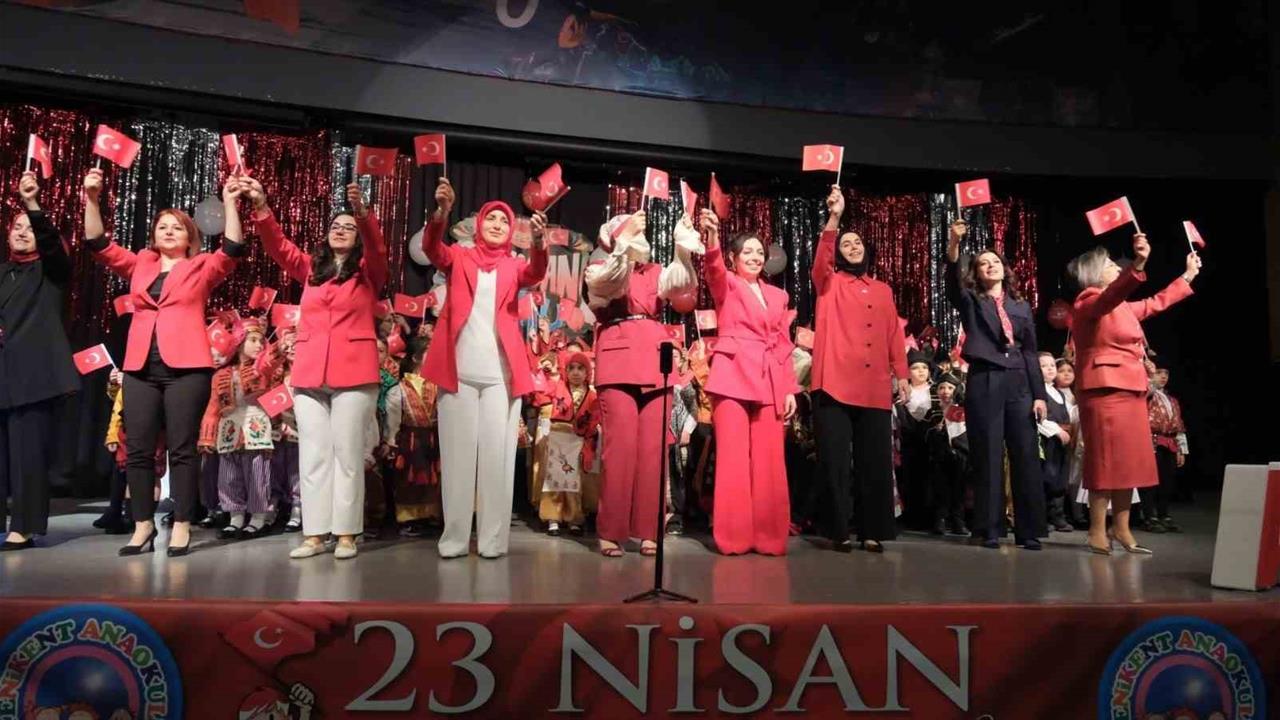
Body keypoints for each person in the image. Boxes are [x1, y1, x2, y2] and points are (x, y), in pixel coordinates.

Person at [84, 168, 246, 557]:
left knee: (182, 449)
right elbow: (98, 243)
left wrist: (229, 202)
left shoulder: (201, 266)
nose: (169, 231)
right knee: (138, 449)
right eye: (162, 227)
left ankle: (183, 524)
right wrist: (91, 198)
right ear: (154, 236)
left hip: (186, 369)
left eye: (177, 227)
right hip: (140, 368)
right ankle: (143, 526)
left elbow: (232, 249)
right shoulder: (141, 262)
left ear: (190, 237)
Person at [242, 177, 388, 560]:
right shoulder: (312, 270)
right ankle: (315, 533)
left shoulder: (368, 272)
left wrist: (363, 214)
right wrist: (261, 207)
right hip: (309, 372)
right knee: (314, 455)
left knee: (347, 455)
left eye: (348, 228)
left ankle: (346, 533)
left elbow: (377, 248)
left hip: (354, 373)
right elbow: (279, 247)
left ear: (358, 237)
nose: (340, 230)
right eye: (335, 226)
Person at [420, 178, 548, 559]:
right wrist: (442, 212)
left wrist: (539, 242)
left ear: (511, 231)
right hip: (458, 371)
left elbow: (536, 273)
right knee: (458, 460)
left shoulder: (514, 265)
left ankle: (493, 540)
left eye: (504, 220)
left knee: (497, 461)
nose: (496, 224)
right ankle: (455, 539)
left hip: (500, 376)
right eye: (491, 218)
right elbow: (431, 248)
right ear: (479, 224)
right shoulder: (459, 257)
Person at [1067, 233, 1200, 555]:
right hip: (1104, 389)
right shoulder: (1088, 301)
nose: (1117, 267)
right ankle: (1096, 530)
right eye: (1110, 265)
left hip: (1131, 388)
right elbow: (1111, 296)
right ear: (1094, 273)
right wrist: (1138, 264)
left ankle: (1122, 528)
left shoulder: (1123, 308)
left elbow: (1156, 302)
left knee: (1129, 462)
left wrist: (1188, 276)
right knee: (1105, 461)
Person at [585, 209, 701, 557]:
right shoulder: (599, 267)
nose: (640, 235)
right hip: (618, 362)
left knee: (654, 450)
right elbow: (611, 284)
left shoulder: (654, 271)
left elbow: (682, 283)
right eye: (631, 231)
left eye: (639, 232)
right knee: (619, 450)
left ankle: (650, 529)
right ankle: (611, 530)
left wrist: (682, 248)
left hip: (655, 361)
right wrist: (622, 242)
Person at [810, 186, 908, 553]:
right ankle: (837, 529)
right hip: (834, 381)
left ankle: (872, 529)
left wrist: (901, 374)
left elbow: (893, 333)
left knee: (875, 461)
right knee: (834, 461)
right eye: (846, 243)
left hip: (874, 384)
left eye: (857, 242)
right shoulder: (829, 281)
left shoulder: (883, 289)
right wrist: (834, 217)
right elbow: (821, 261)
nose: (852, 246)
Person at [945, 217, 1048, 550]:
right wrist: (955, 244)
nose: (990, 266)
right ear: (977, 273)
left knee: (1025, 453)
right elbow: (952, 282)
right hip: (986, 378)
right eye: (983, 263)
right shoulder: (972, 300)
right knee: (987, 453)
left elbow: (1030, 351)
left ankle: (1029, 530)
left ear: (1004, 269)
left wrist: (1039, 395)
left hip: (1019, 381)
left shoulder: (1021, 305)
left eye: (995, 262)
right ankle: (989, 528)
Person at [699, 210, 798, 555]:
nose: (755, 257)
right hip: (732, 374)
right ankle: (734, 537)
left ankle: (769, 536)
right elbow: (713, 270)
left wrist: (788, 388)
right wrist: (712, 237)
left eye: (759, 252)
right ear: (733, 258)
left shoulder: (778, 296)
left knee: (770, 461)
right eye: (747, 252)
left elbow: (783, 344)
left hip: (769, 377)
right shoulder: (727, 284)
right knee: (734, 460)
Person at [0, 171, 79, 550]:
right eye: (16, 226)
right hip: (2, 373)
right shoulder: (3, 273)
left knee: (27, 455)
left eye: (29, 228)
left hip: (34, 377)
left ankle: (25, 526)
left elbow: (52, 247)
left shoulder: (50, 271)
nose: (22, 232)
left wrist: (32, 204)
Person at [197, 318, 279, 539]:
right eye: (252, 340)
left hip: (256, 426)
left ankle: (258, 518)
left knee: (257, 474)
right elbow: (213, 407)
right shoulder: (221, 375)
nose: (259, 345)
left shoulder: (262, 370)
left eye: (261, 341)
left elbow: (272, 362)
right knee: (228, 476)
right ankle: (235, 518)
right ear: (239, 342)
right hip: (229, 430)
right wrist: (207, 437)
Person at [382, 337, 442, 537]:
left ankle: (431, 513)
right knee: (409, 479)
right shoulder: (400, 388)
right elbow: (393, 419)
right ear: (416, 357)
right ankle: (408, 518)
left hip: (433, 437)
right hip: (410, 439)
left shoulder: (437, 385)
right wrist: (390, 441)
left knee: (432, 478)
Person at [536, 350, 600, 536]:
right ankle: (553, 518)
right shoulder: (558, 388)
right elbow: (541, 393)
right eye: (571, 368)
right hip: (559, 437)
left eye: (580, 368)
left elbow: (595, 417)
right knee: (554, 479)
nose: (575, 372)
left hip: (578, 441)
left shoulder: (592, 395)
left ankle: (574, 518)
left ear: (587, 372)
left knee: (574, 481)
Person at [1143, 364, 1189, 532]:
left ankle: (1164, 515)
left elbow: (1178, 425)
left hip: (1169, 442)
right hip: (1151, 441)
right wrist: (1149, 377)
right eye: (1158, 373)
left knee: (1167, 481)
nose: (1163, 377)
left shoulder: (1172, 400)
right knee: (1150, 481)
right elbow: (1147, 391)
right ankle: (1149, 516)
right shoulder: (1146, 394)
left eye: (1166, 374)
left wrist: (1181, 449)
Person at [927, 372, 970, 535]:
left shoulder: (962, 411)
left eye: (950, 388)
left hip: (960, 455)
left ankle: (958, 521)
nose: (945, 391)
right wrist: (935, 431)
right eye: (942, 388)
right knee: (941, 489)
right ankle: (940, 519)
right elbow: (924, 434)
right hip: (940, 456)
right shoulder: (933, 411)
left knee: (959, 489)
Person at [1037, 352, 1074, 532]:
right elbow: (1038, 418)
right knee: (1047, 477)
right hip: (1047, 440)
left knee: (1060, 478)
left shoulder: (1058, 392)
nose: (1050, 369)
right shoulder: (1038, 392)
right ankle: (1042, 518)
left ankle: (1057, 515)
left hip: (1062, 441)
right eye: (1044, 366)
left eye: (1052, 365)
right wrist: (1057, 431)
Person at [1055, 358, 1088, 528]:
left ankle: (1079, 514)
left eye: (1070, 371)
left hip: (1078, 441)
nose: (1066, 374)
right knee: (1065, 478)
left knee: (1077, 477)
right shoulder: (1052, 394)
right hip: (1061, 439)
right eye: (1061, 371)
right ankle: (1062, 513)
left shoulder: (1077, 396)